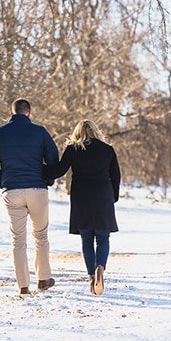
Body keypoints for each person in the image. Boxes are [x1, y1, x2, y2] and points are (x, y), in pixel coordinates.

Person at [0, 98, 60, 295]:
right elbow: (53, 159)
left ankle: (23, 285)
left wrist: (1, 181)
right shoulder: (40, 132)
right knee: (41, 235)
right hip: (37, 190)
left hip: (12, 190)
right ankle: (43, 280)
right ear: (29, 114)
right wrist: (47, 179)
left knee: (18, 239)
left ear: (11, 114)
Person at [45, 119, 121, 295]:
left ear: (78, 132)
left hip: (82, 198)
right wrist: (113, 197)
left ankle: (91, 276)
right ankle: (100, 268)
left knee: (86, 239)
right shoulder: (107, 149)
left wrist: (38, 170)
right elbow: (116, 176)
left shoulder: (73, 149)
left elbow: (59, 171)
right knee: (103, 238)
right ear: (96, 131)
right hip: (103, 196)